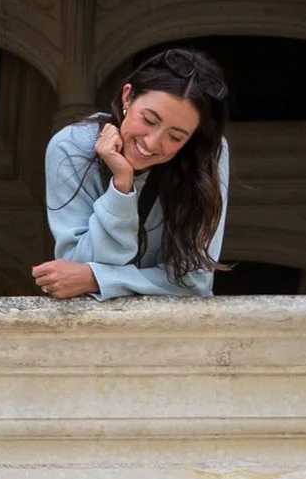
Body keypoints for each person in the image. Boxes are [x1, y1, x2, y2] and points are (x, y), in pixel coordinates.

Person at [33, 42, 230, 300]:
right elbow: (78, 265)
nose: (151, 142)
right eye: (149, 120)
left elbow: (194, 281)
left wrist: (96, 279)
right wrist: (121, 185)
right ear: (128, 96)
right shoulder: (71, 147)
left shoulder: (208, 156)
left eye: (176, 137)